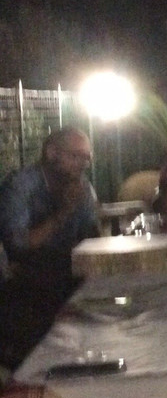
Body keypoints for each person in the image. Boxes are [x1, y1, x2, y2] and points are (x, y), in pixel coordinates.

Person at [0, 127, 99, 368]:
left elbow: (90, 238)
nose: (82, 164)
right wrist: (63, 213)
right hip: (25, 282)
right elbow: (18, 245)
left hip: (66, 272)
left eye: (86, 158)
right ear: (51, 153)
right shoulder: (20, 186)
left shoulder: (82, 187)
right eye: (75, 156)